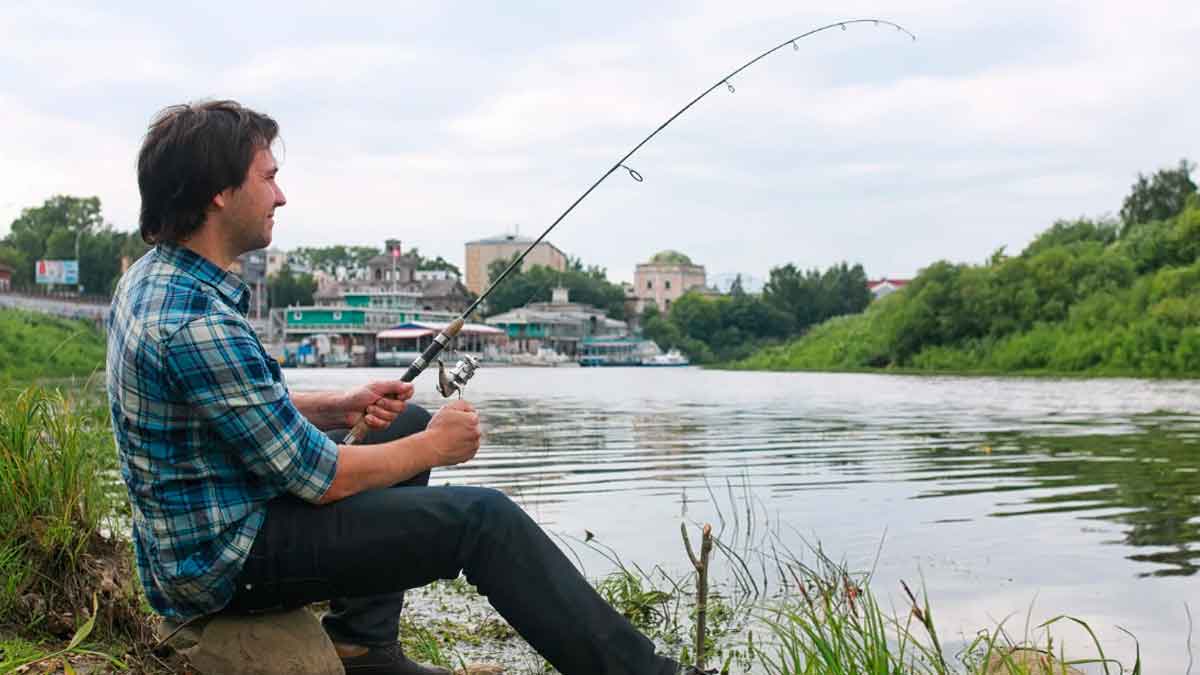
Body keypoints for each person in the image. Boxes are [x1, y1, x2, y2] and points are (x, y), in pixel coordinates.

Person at [107, 100, 708, 675]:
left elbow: (229, 409)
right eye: (268, 178)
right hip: (223, 561)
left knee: (404, 421)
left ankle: (362, 646)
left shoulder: (156, 280)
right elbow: (321, 480)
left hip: (210, 531)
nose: (281, 196)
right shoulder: (198, 321)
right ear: (219, 190)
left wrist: (339, 405)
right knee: (482, 519)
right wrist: (437, 450)